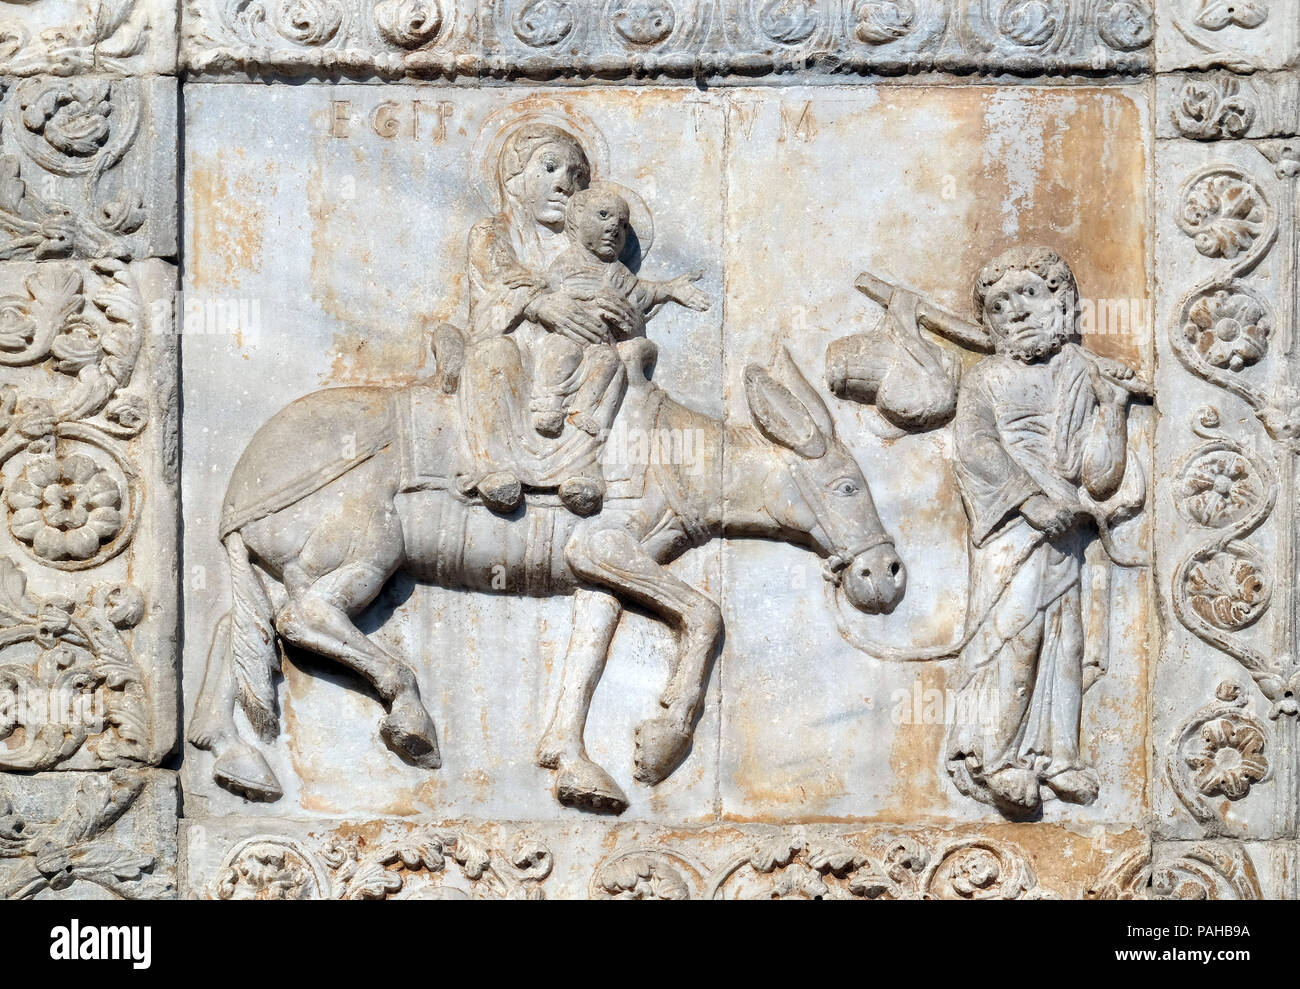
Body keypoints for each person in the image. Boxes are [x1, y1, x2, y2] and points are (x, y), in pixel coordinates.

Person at [945, 245, 1136, 814]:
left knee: (1066, 639)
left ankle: (1057, 756)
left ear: (1063, 302)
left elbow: (1099, 479)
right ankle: (994, 758)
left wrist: (1114, 408)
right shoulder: (987, 379)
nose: (1016, 312)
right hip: (1012, 527)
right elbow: (974, 449)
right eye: (999, 306)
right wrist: (1028, 500)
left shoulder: (1083, 372)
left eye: (1028, 295)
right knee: (1015, 636)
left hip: (1067, 533)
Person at [460, 122, 643, 514]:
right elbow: (499, 284)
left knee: (611, 363)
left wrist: (629, 320)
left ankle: (581, 467)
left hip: (578, 357)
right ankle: (494, 466)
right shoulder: (493, 232)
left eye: (576, 176)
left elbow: (626, 301)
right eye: (549, 168)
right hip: (514, 350)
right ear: (513, 178)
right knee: (494, 356)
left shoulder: (589, 248)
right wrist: (541, 304)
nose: (564, 184)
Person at [530, 184, 709, 441]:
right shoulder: (568, 263)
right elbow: (553, 293)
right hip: (568, 338)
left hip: (598, 345)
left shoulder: (618, 272)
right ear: (577, 221)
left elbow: (642, 292)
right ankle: (548, 404)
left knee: (609, 361)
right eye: (604, 215)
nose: (615, 227)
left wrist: (671, 289)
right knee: (561, 351)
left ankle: (584, 411)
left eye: (623, 224)